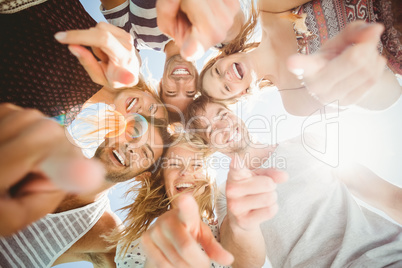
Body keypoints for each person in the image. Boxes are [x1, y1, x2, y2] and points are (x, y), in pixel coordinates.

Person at [184, 95, 402, 267]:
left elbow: (389, 197)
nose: (223, 127)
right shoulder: (228, 196)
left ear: (235, 113)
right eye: (211, 130)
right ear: (211, 147)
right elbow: (245, 263)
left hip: (390, 256)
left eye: (222, 114)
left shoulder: (308, 142)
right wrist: (241, 223)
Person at [199, 0, 402, 116]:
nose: (225, 76)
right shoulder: (293, 100)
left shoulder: (269, 9)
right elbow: (389, 94)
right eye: (226, 88)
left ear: (224, 55)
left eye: (217, 71)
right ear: (242, 94)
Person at [99, 0, 246, 121]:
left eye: (171, 91)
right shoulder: (217, 40)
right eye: (189, 91)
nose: (180, 82)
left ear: (161, 83)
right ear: (198, 82)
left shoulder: (131, 34)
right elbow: (235, 24)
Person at [110, 133, 234, 267]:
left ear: (207, 177)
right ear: (162, 179)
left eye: (196, 165)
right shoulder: (134, 244)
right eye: (174, 164)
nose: (185, 172)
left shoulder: (224, 228)